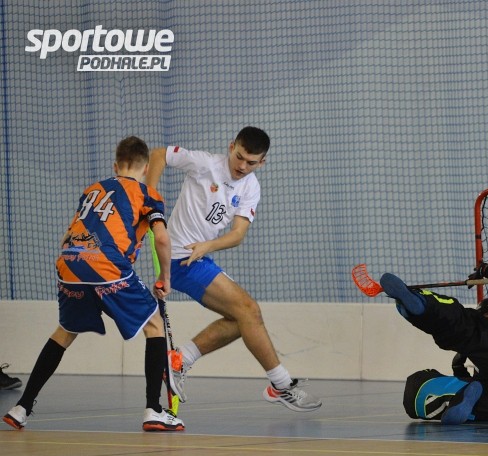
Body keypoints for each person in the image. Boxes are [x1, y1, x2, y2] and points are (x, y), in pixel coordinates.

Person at [3, 136, 183, 432]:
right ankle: (154, 409)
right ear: (145, 167)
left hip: (69, 263)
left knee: (65, 332)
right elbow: (162, 238)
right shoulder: (147, 194)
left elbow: (66, 236)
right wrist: (166, 277)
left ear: (115, 165)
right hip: (107, 266)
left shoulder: (92, 190)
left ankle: (21, 407)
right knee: (154, 325)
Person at [146, 127, 321, 412]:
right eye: (239, 157)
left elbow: (238, 234)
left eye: (251, 162)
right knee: (249, 310)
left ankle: (179, 360)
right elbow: (158, 155)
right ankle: (281, 385)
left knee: (243, 320)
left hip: (200, 257)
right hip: (180, 258)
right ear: (231, 147)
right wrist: (148, 200)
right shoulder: (205, 164)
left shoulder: (251, 187)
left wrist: (208, 246)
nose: (242, 166)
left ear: (262, 162)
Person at [380, 265, 488, 424]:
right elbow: (478, 384)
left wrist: (485, 269)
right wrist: (458, 367)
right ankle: (464, 408)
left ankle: (423, 305)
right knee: (421, 385)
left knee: (469, 326)